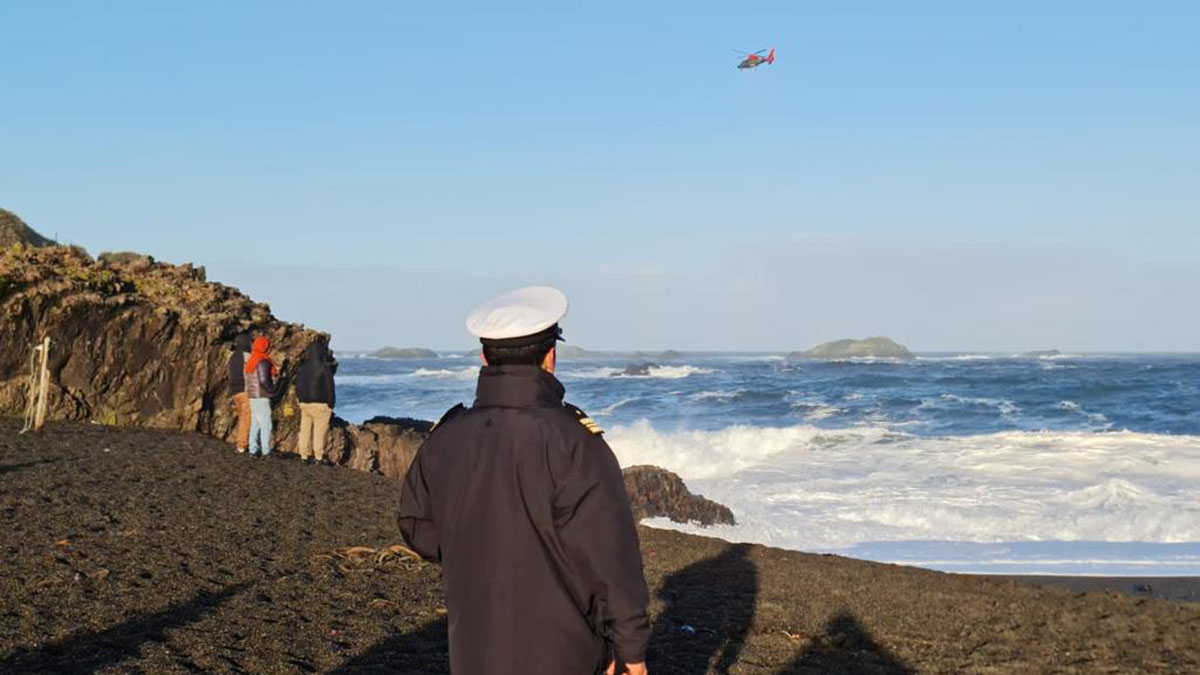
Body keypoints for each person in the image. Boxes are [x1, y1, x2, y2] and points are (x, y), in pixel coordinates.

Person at [398, 286, 650, 675]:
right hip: (568, 654)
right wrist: (632, 651)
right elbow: (610, 557)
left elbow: (415, 524)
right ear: (550, 357)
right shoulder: (575, 442)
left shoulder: (445, 438)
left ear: (484, 357)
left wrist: (477, 548)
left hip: (473, 651)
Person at [295, 338, 337, 464]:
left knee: (305, 430)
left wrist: (300, 399)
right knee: (319, 432)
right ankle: (318, 457)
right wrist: (331, 404)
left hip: (305, 404)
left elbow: (298, 385)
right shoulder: (324, 368)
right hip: (321, 405)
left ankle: (303, 455)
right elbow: (330, 388)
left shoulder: (302, 368)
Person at [244, 335, 277, 457]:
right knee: (266, 424)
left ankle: (252, 449)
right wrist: (272, 391)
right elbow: (263, 380)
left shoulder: (252, 360)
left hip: (253, 395)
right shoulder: (262, 360)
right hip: (262, 396)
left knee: (255, 424)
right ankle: (266, 450)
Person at [228, 333, 253, 453]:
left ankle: (240, 441)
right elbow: (249, 373)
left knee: (241, 417)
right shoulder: (247, 356)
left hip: (235, 391)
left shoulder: (232, 357)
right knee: (246, 418)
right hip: (245, 390)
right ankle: (242, 445)